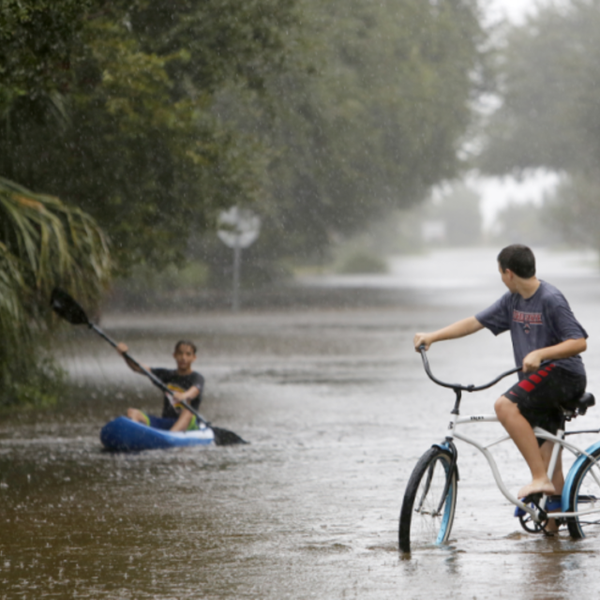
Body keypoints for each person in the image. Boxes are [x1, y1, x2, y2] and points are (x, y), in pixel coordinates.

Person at [414, 244, 588, 502]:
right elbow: (475, 322)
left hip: (564, 374)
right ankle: (554, 528)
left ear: (508, 273)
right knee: (551, 463)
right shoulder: (512, 300)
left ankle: (537, 477)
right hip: (539, 385)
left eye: (500, 274)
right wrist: (433, 337)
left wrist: (541, 354)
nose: (501, 279)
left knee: (505, 406)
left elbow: (579, 342)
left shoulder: (550, 298)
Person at [116, 340, 205, 432]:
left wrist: (183, 396)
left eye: (188, 354)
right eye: (180, 353)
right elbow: (138, 368)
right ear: (174, 355)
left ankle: (171, 435)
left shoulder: (197, 377)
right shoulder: (168, 375)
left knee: (187, 411)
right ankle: (133, 435)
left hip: (189, 424)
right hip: (166, 422)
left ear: (194, 358)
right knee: (132, 412)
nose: (183, 358)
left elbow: (194, 391)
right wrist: (125, 355)